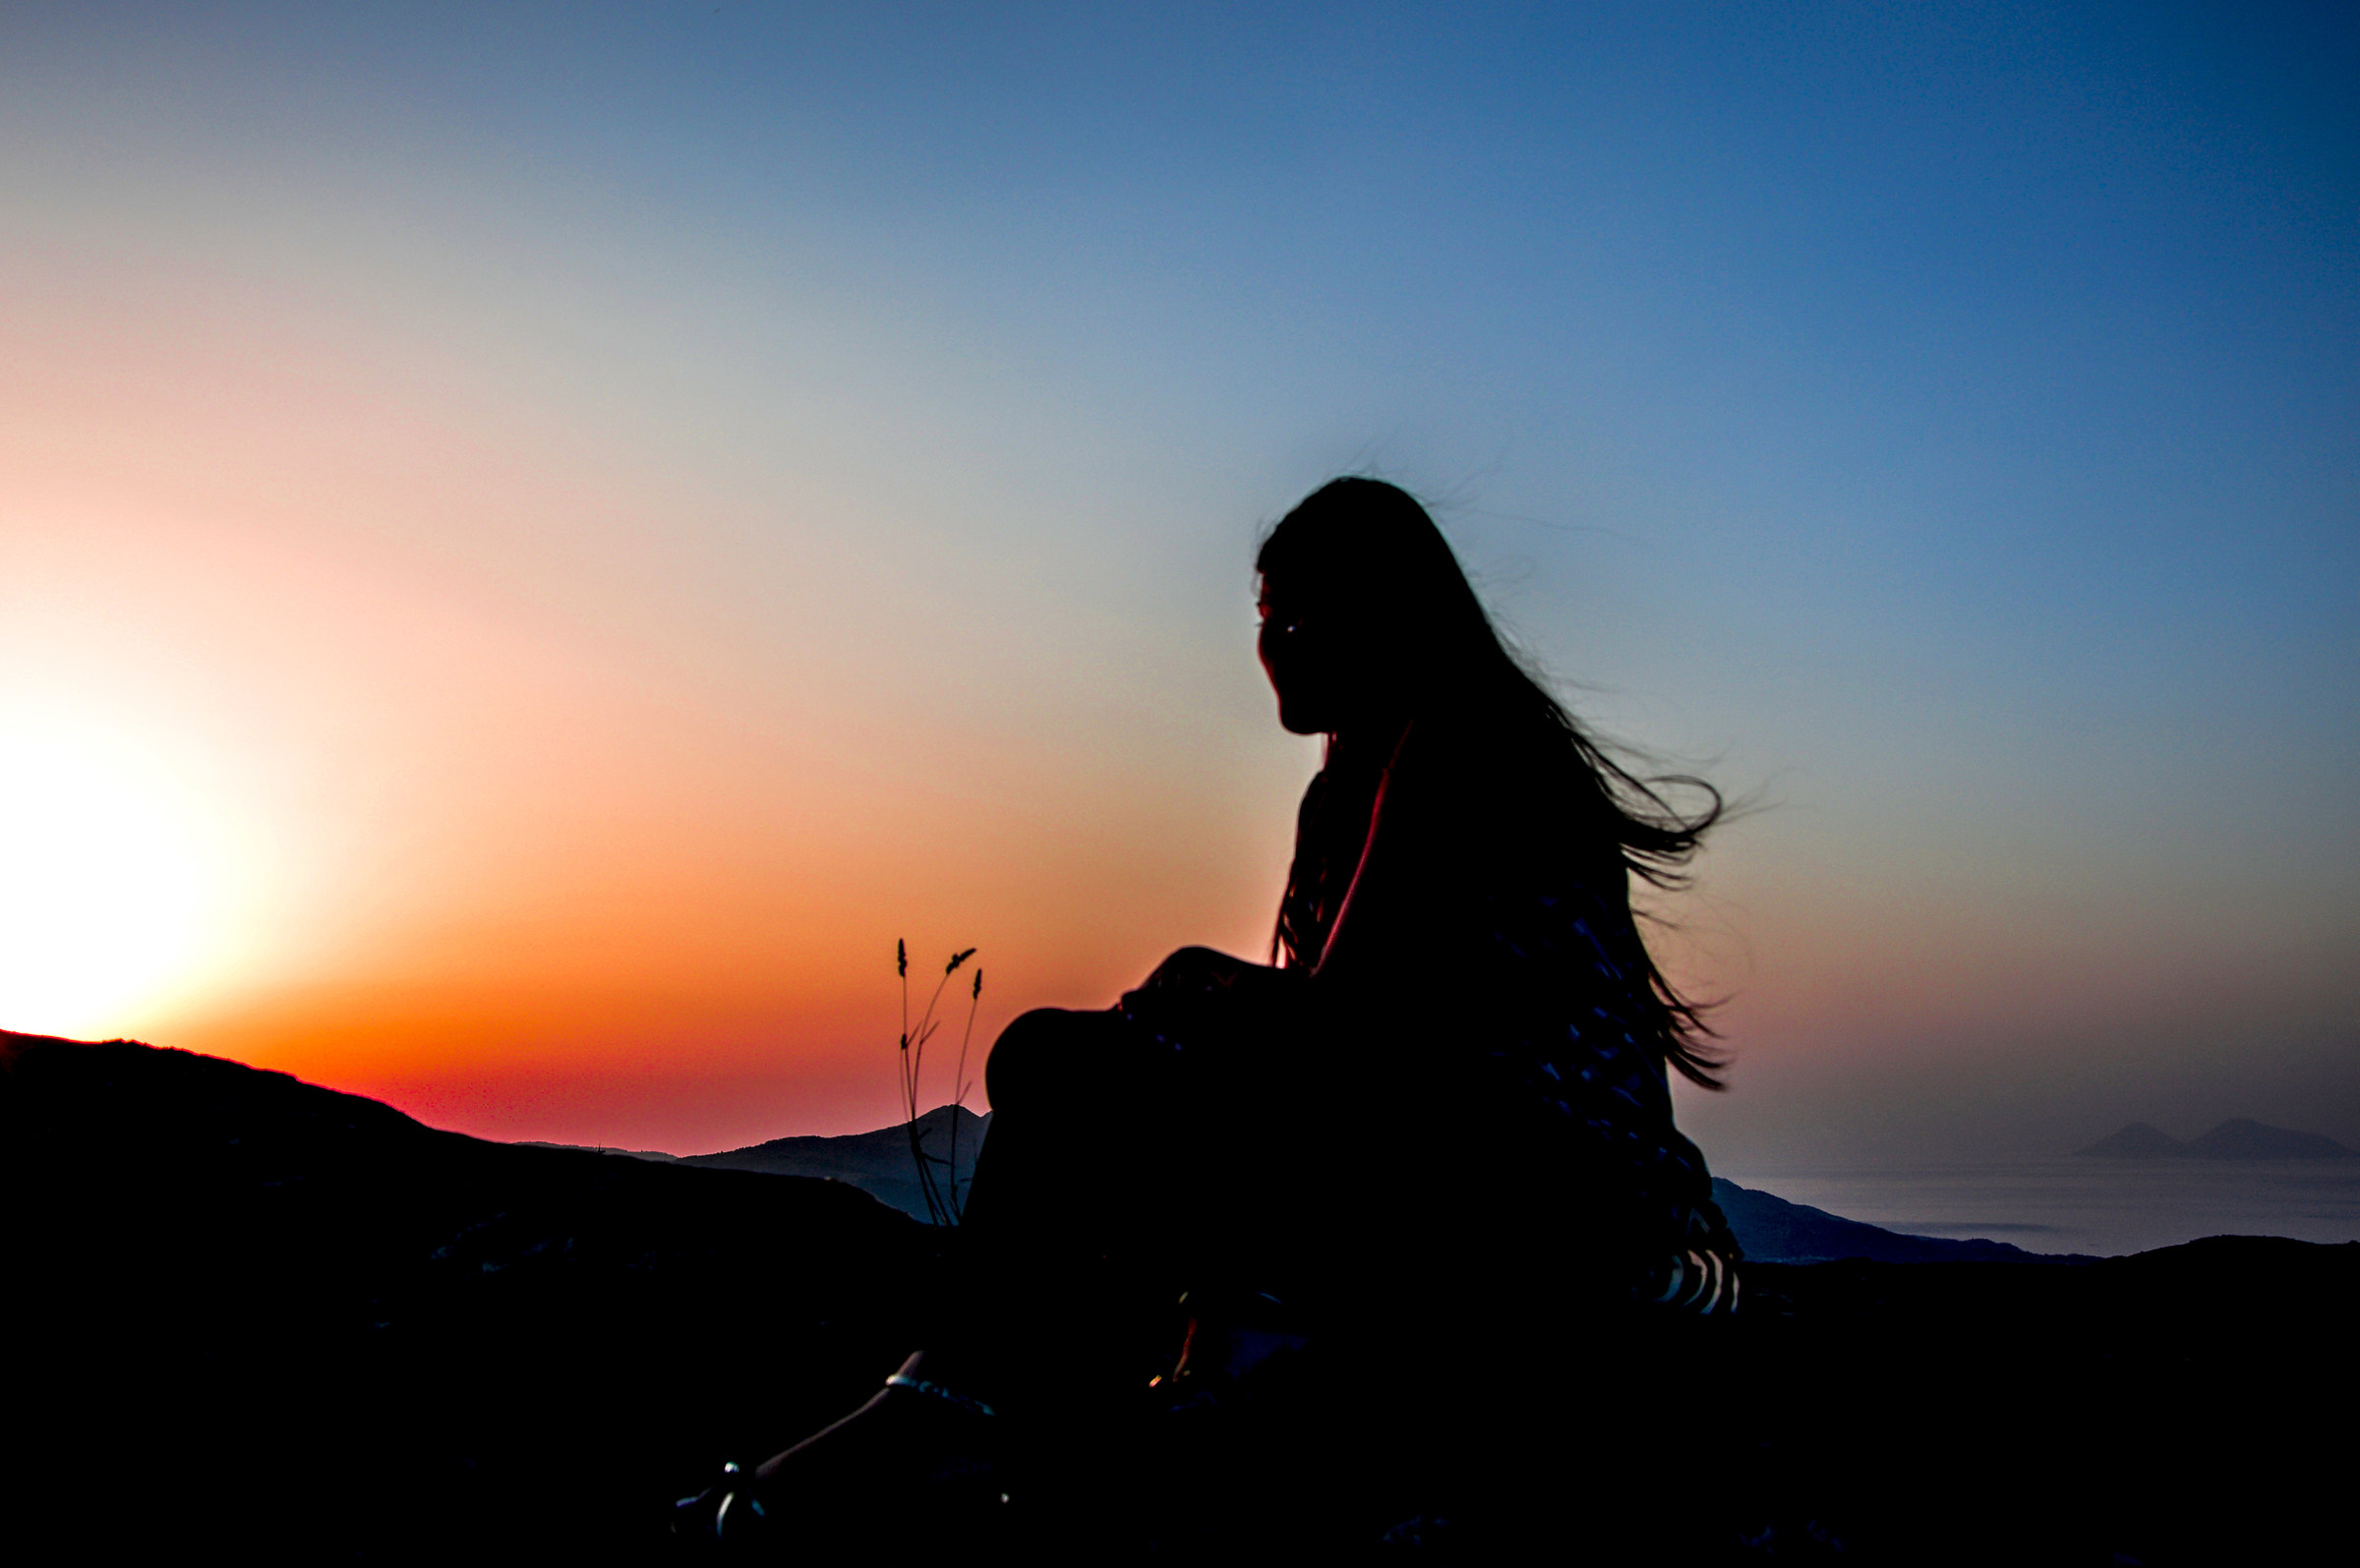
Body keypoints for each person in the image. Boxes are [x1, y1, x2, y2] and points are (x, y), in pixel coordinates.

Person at [678, 477, 1741, 1547]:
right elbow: (1352, 1057)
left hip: (1550, 1210)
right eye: (1264, 618)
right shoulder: (1360, 780)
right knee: (1066, 1066)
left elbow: (1354, 1040)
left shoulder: (1459, 746)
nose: (1273, 643)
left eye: (1295, 613)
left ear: (1379, 609)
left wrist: (1200, 984)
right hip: (1460, 1175)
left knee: (1058, 1063)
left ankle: (955, 1403)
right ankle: (1034, 1390)